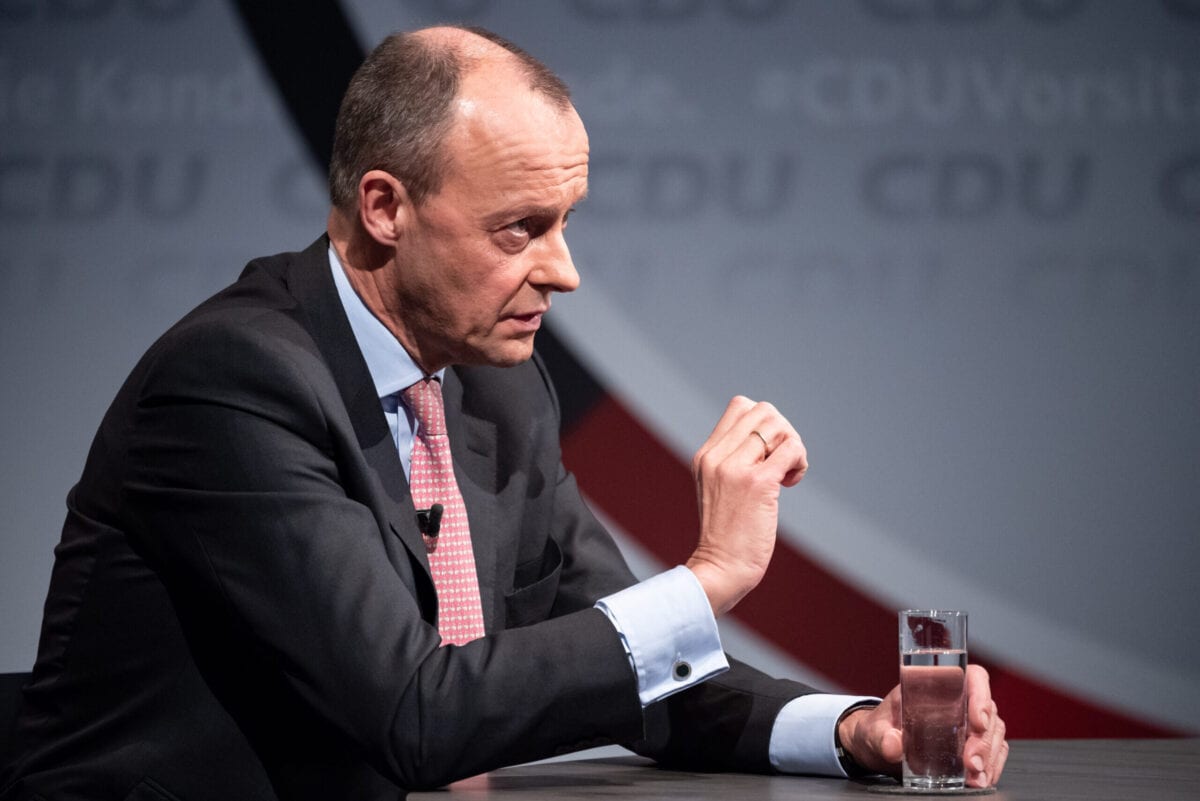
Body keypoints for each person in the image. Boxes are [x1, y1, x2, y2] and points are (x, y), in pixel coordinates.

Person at [0, 25, 1007, 800]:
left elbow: (627, 667)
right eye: (520, 228)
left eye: (563, 224)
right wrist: (711, 578)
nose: (562, 272)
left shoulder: (496, 385)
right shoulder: (234, 383)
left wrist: (850, 731)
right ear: (385, 207)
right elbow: (413, 716)